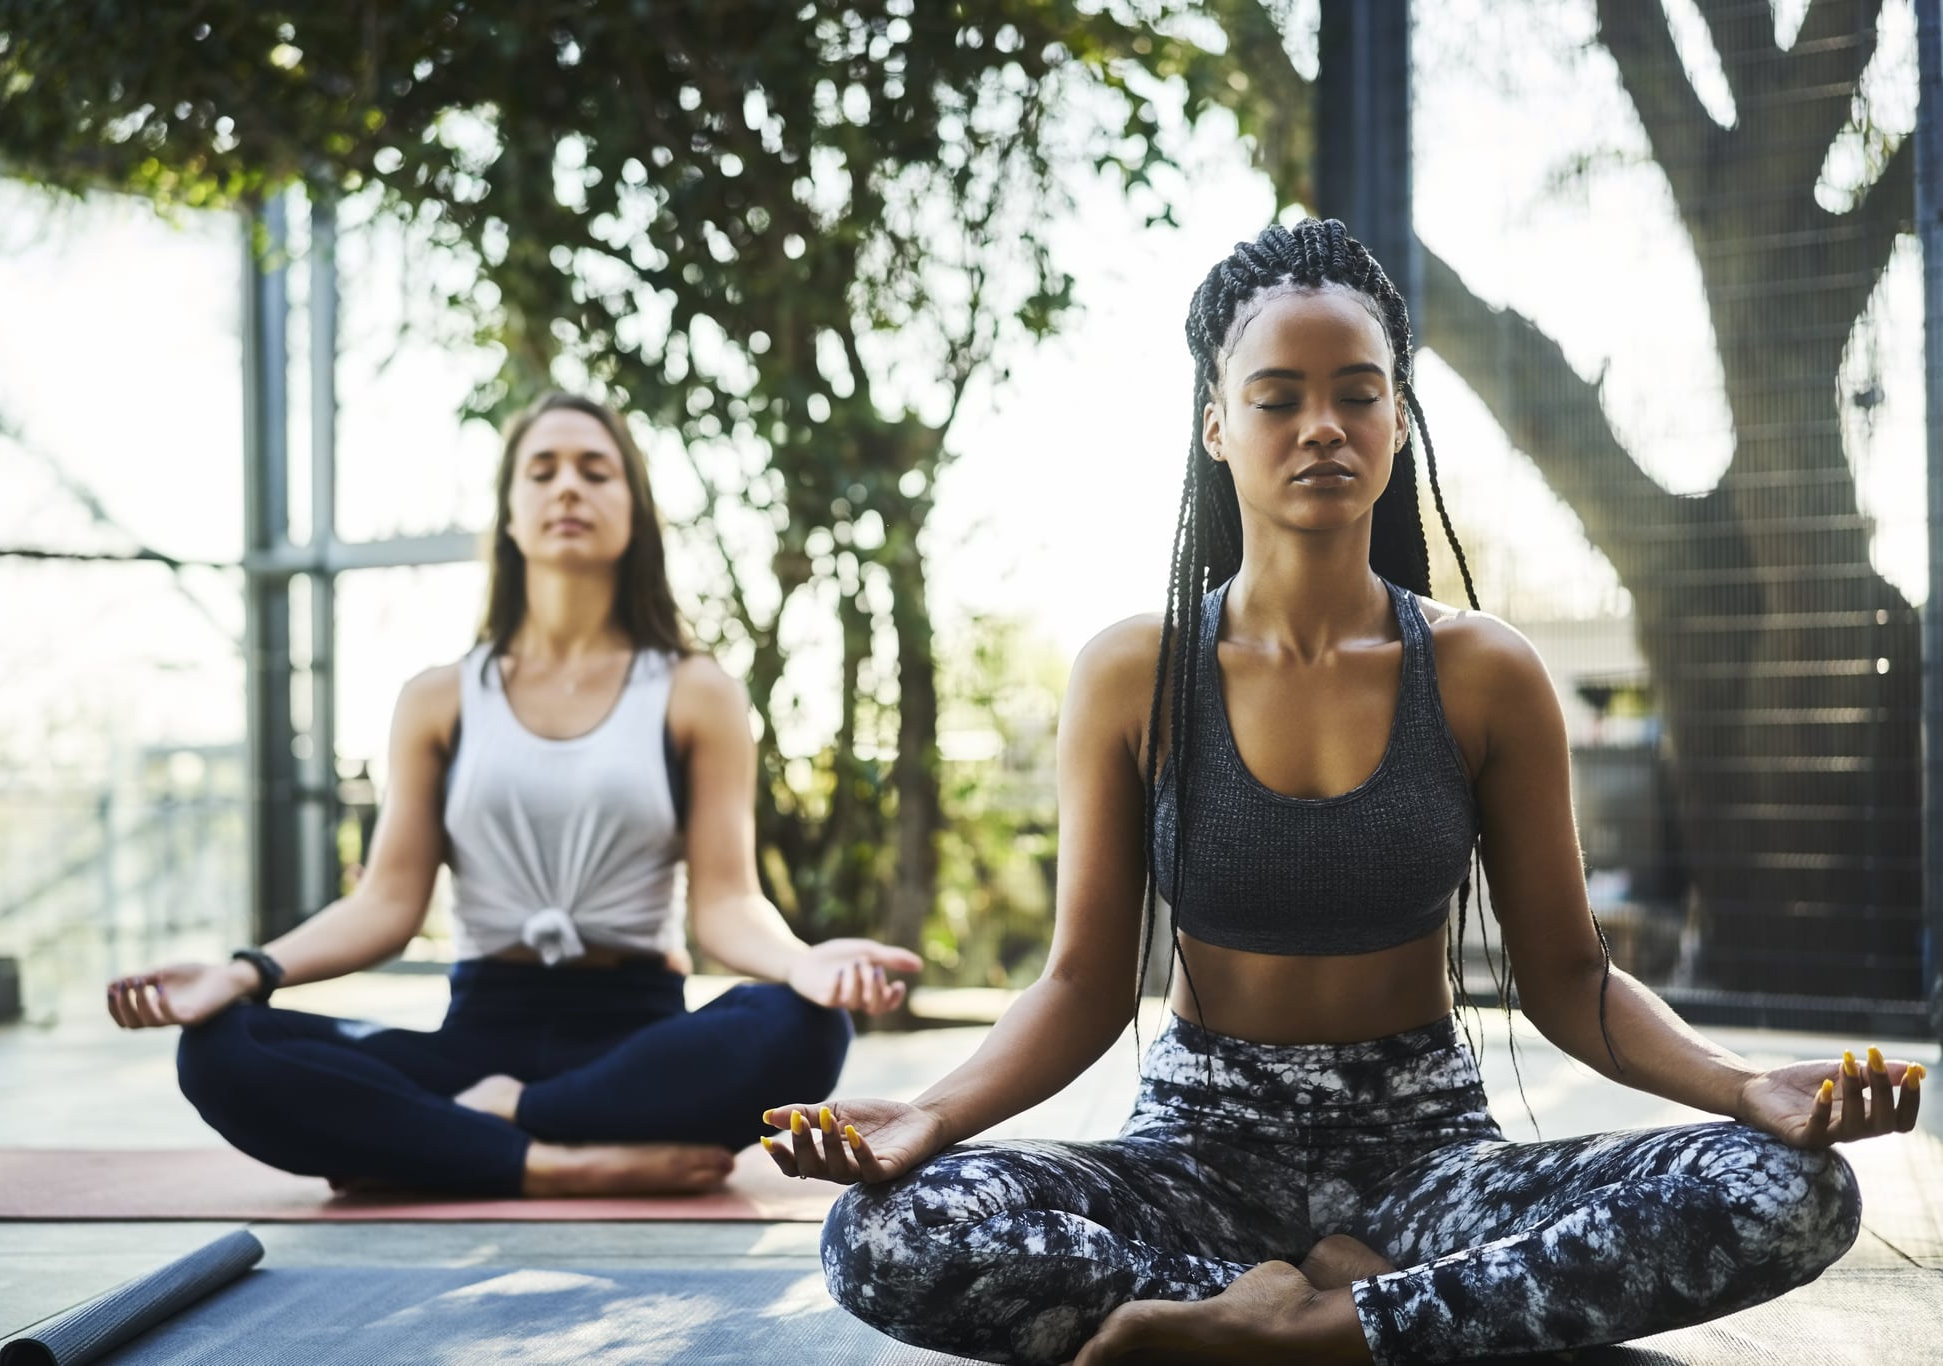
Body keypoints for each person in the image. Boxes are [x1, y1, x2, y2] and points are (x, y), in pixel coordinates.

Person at [760, 219, 1925, 1364]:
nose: (1321, 426)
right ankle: (1386, 1317)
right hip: (1195, 1155)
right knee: (887, 1232)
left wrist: (1740, 1087)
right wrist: (933, 1117)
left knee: (1789, 1190)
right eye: (1276, 398)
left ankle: (1298, 1328)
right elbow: (1078, 984)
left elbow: (1570, 978)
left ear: (1398, 419)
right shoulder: (1134, 674)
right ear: (1216, 424)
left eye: (1357, 393)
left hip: (1424, 1157)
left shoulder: (1484, 673)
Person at [107, 391, 920, 1198]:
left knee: (806, 1024)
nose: (568, 487)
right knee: (221, 1047)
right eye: (544, 470)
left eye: (596, 471)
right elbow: (387, 904)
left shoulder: (693, 690)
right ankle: (552, 1162)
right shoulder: (438, 697)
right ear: (510, 512)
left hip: (636, 1044)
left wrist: (806, 964)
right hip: (477, 1036)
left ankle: (469, 1132)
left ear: (633, 511)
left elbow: (727, 904)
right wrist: (246, 973)